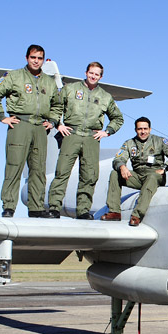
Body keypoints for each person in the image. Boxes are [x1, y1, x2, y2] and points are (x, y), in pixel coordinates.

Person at [0, 44, 62, 218]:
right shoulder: (13, 76)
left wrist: (52, 121)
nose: (36, 61)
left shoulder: (49, 82)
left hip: (40, 128)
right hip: (20, 124)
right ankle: (9, 206)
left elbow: (57, 105)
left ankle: (36, 207)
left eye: (40, 58)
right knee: (14, 166)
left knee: (38, 168)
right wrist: (2, 116)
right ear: (27, 58)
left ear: (43, 60)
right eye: (33, 57)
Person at [46, 62, 124, 220]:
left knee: (89, 175)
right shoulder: (70, 89)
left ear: (101, 77)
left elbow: (118, 118)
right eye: (91, 73)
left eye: (97, 74)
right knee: (62, 171)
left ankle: (83, 209)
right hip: (71, 134)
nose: (93, 76)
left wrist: (107, 132)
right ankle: (54, 207)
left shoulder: (105, 97)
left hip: (91, 138)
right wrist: (58, 124)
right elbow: (56, 105)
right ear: (86, 72)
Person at [100, 117, 168, 226]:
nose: (143, 132)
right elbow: (118, 159)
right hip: (138, 176)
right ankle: (114, 212)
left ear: (150, 129)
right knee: (114, 174)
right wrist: (122, 167)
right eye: (140, 129)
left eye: (145, 129)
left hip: (155, 176)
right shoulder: (129, 143)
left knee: (151, 177)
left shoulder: (160, 141)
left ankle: (137, 214)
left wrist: (164, 168)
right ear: (136, 130)